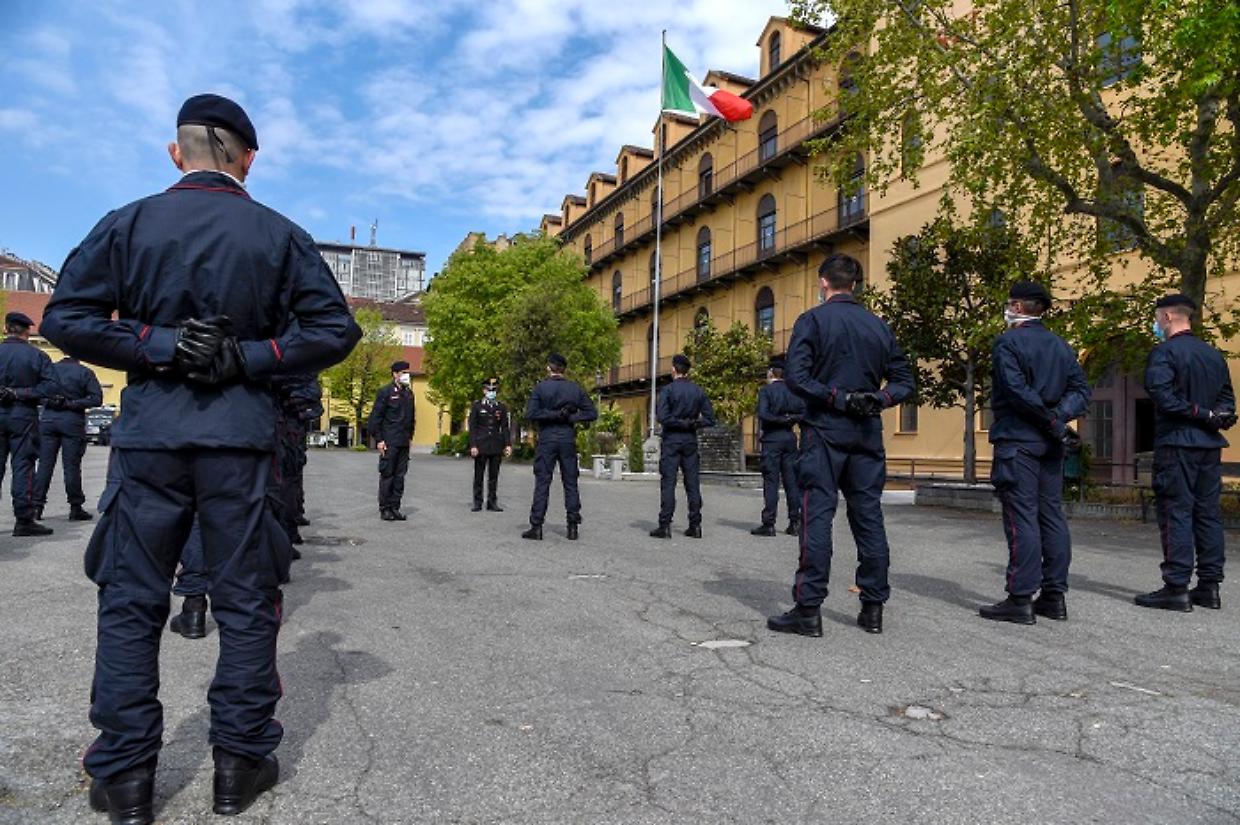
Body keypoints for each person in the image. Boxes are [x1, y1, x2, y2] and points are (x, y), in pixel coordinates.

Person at [41, 92, 360, 824]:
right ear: (248, 159)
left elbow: (66, 317)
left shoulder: (130, 223)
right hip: (240, 437)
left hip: (152, 433)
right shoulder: (278, 235)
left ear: (176, 152)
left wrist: (156, 344)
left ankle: (125, 775)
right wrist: (250, 355)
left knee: (130, 599)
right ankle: (238, 762)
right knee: (247, 601)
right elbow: (332, 328)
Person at [768, 253, 913, 637]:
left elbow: (796, 377)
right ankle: (873, 607)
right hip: (866, 431)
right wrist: (877, 399)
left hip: (825, 428)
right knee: (868, 516)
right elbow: (904, 380)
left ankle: (809, 607)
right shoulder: (879, 327)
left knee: (817, 514)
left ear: (823, 282)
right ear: (856, 284)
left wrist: (837, 398)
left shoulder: (812, 321)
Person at [979, 281, 1090, 625]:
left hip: (1019, 440)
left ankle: (1020, 597)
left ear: (1018, 306)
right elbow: (1081, 391)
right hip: (1050, 444)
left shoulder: (1008, 343)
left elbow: (1015, 391)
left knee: (1022, 516)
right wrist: (1057, 420)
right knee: (1051, 515)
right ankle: (1054, 596)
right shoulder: (1060, 345)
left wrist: (1048, 420)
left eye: (1011, 304)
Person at [1135, 293, 1236, 612]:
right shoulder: (1212, 355)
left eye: (1156, 318)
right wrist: (1215, 416)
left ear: (1165, 317)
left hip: (1178, 444)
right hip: (1209, 446)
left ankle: (1176, 587)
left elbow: (1163, 398)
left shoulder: (1164, 353)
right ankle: (1209, 586)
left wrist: (1200, 414)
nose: (1156, 324)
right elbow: (1227, 402)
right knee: (1207, 514)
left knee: (1176, 511)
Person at [522, 353, 597, 540]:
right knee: (570, 482)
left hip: (547, 436)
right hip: (566, 438)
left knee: (542, 482)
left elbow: (531, 414)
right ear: (564, 369)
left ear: (549, 368)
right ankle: (572, 527)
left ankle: (536, 526)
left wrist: (553, 415)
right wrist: (570, 417)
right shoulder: (574, 389)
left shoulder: (541, 388)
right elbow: (591, 413)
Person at [0, 311, 58, 537]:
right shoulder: (37, 356)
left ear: (6, 329)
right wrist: (20, 393)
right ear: (27, 331)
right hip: (22, 415)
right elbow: (51, 389)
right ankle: (24, 519)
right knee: (23, 467)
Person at [650, 354, 716, 539]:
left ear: (673, 369)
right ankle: (695, 525)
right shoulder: (698, 391)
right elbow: (710, 419)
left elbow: (662, 417)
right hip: (690, 441)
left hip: (672, 439)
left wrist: (679, 423)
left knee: (668, 483)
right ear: (688, 371)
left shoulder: (668, 390)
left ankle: (665, 525)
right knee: (692, 483)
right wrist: (693, 424)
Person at [33, 354, 103, 521]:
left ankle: (36, 506)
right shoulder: (84, 372)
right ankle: (75, 506)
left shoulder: (50, 371)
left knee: (44, 465)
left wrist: (51, 401)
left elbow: (37, 394)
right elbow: (96, 399)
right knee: (71, 466)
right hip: (72, 421)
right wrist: (73, 403)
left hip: (49, 419)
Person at [751, 358, 805, 537]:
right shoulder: (793, 391)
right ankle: (795, 522)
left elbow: (764, 414)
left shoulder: (766, 391)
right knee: (791, 482)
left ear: (770, 373)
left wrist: (779, 419)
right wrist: (790, 419)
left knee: (771, 482)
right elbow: (803, 412)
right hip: (789, 438)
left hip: (772, 439)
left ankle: (769, 523)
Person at [369, 360, 415, 521]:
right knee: (387, 475)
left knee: (400, 476)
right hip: (389, 441)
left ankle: (395, 507)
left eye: (407, 373)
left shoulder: (409, 393)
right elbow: (375, 418)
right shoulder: (385, 392)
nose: (406, 375)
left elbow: (411, 418)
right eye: (403, 372)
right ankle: (385, 508)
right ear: (395, 374)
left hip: (403, 441)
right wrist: (379, 440)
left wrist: (410, 437)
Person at [468, 377, 512, 512]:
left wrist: (507, 444)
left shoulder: (501, 407)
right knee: (479, 476)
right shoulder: (477, 406)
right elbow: (473, 427)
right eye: (489, 389)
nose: (492, 392)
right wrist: (473, 445)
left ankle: (492, 502)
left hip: (496, 445)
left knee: (494, 476)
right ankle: (477, 501)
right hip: (481, 445)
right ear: (484, 390)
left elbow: (504, 427)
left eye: (494, 390)